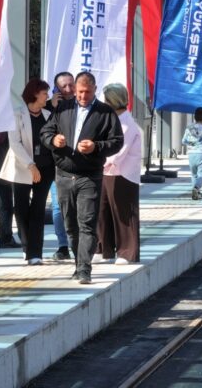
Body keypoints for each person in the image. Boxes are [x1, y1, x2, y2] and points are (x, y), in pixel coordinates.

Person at [40, 72, 124, 284]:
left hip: (89, 176)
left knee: (86, 223)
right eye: (80, 92)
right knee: (70, 224)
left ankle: (85, 268)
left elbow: (117, 141)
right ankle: (78, 263)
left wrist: (96, 146)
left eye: (87, 92)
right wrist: (53, 140)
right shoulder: (63, 108)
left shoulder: (105, 112)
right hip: (64, 175)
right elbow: (45, 132)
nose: (83, 96)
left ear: (95, 89)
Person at [0, 79, 55, 266]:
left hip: (45, 169)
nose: (47, 97)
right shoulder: (17, 114)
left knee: (38, 209)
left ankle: (35, 252)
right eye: (44, 93)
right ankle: (26, 247)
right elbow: (15, 143)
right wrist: (31, 165)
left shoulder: (48, 115)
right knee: (21, 208)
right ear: (35, 94)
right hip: (23, 168)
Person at [93, 83, 142, 265]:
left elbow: (118, 152)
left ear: (113, 101)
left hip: (123, 174)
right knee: (102, 210)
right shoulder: (112, 119)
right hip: (106, 172)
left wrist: (99, 161)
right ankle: (102, 248)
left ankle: (127, 252)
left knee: (123, 212)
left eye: (106, 100)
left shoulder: (127, 123)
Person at [47, 71, 75, 261]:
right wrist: (53, 107)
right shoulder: (49, 108)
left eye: (71, 85)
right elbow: (44, 133)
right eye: (63, 86)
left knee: (80, 205)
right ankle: (63, 245)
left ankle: (80, 244)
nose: (68, 89)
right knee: (58, 205)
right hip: (56, 165)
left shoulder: (82, 104)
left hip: (78, 163)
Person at [181, 107, 202, 200]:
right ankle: (196, 188)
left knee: (194, 174)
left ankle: (196, 193)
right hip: (201, 153)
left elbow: (183, 141)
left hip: (191, 154)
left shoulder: (189, 128)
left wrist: (192, 143)